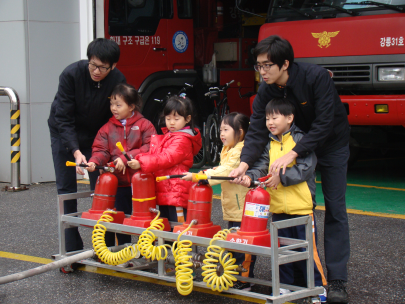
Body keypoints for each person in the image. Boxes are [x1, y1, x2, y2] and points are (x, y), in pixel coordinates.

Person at [229, 35, 350, 303]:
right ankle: (297, 277)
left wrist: (294, 153)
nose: (262, 72)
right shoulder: (266, 90)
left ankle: (338, 280)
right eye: (258, 66)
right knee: (293, 209)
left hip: (331, 144)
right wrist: (244, 164)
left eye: (267, 65)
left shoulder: (315, 77)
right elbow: (257, 131)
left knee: (335, 208)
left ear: (285, 64)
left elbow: (325, 122)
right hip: (295, 144)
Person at [239, 98, 327, 302]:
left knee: (308, 251)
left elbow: (306, 168)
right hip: (277, 207)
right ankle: (285, 287)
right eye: (268, 118)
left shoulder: (300, 140)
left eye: (275, 117)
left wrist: (282, 176)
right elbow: (261, 166)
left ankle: (318, 288)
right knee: (281, 253)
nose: (270, 122)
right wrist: (249, 177)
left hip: (301, 208)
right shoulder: (269, 143)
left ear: (289, 118)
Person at [48, 38, 126, 253]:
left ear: (113, 66)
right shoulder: (71, 74)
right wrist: (75, 150)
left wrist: (118, 150)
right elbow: (63, 118)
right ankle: (70, 249)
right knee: (66, 189)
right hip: (64, 133)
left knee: (104, 186)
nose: (97, 71)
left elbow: (122, 115)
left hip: (97, 137)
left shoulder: (118, 80)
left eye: (103, 67)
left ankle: (106, 248)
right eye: (93, 64)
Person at [182, 112, 255, 291]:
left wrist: (199, 175)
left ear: (240, 132)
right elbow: (222, 168)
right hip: (234, 205)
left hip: (242, 206)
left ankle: (245, 279)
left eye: (226, 130)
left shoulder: (240, 149)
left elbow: (227, 170)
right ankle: (235, 275)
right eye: (221, 129)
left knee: (243, 244)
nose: (221, 134)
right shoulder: (229, 148)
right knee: (233, 243)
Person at [86, 83, 156, 245]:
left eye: (118, 105)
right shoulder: (107, 128)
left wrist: (127, 158)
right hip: (119, 184)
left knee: (145, 219)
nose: (113, 108)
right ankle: (124, 251)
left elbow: (150, 147)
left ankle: (146, 252)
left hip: (142, 184)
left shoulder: (145, 125)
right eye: (112, 104)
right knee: (120, 218)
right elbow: (100, 150)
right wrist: (94, 161)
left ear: (131, 106)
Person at [127, 95, 202, 224]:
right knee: (166, 227)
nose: (171, 122)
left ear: (187, 119)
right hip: (167, 189)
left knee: (178, 229)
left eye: (176, 119)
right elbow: (157, 156)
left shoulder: (182, 139)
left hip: (176, 190)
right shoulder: (171, 136)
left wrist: (141, 162)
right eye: (168, 118)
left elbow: (165, 158)